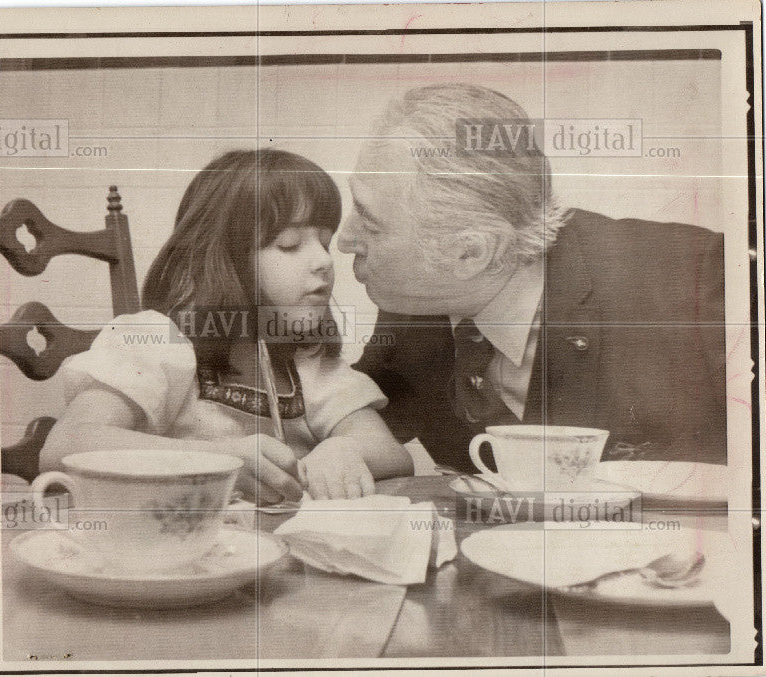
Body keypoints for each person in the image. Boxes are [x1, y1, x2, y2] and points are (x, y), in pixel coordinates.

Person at [339, 84, 727, 472]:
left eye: (370, 223)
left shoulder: (699, 279)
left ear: (470, 253)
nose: (344, 240)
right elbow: (358, 410)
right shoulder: (419, 300)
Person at [40, 149, 413, 503]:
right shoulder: (156, 341)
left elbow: (391, 452)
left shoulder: (304, 359)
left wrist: (345, 448)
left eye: (325, 243)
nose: (322, 261)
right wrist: (215, 459)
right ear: (220, 257)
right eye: (289, 244)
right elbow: (65, 447)